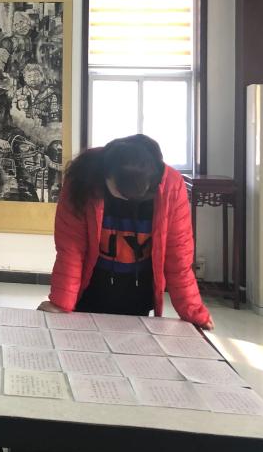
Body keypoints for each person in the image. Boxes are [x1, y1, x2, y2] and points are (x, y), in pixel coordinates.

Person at [39, 134, 213, 329]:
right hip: (90, 289)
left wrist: (194, 311)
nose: (128, 200)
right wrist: (61, 303)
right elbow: (72, 248)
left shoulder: (170, 185)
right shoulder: (82, 178)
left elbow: (178, 255)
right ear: (107, 175)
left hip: (138, 292)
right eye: (121, 192)